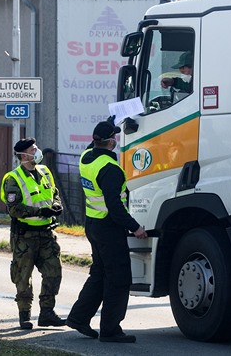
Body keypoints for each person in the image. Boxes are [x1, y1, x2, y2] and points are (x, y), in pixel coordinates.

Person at [67, 120, 148, 343]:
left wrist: (110, 120)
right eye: (115, 137)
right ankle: (110, 330)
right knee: (119, 278)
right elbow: (115, 206)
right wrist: (136, 227)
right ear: (111, 142)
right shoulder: (110, 169)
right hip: (109, 227)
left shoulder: (86, 158)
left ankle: (78, 318)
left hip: (93, 224)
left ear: (94, 141)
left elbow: (93, 144)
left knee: (100, 274)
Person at [0, 138, 66, 330]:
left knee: (54, 272)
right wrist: (39, 212)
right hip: (25, 236)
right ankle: (24, 315)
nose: (37, 151)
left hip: (46, 233)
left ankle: (47, 312)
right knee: (23, 276)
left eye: (36, 148)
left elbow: (54, 193)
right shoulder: (13, 178)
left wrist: (56, 206)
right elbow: (14, 209)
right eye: (33, 149)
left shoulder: (44, 171)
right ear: (23, 155)